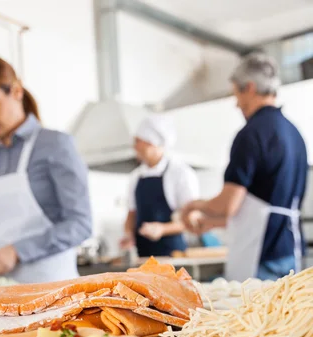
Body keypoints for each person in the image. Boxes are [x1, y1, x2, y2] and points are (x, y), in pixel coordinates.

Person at [0, 55, 91, 283]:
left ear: (16, 92)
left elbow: (80, 224)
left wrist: (17, 251)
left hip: (52, 291)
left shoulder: (55, 145)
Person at [181, 52, 308, 282]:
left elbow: (228, 205)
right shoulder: (294, 134)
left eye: (236, 94)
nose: (236, 103)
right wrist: (211, 222)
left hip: (262, 254)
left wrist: (192, 206)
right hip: (290, 251)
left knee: (253, 317)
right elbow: (262, 204)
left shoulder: (251, 134)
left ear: (249, 88)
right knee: (289, 317)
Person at [121, 115, 199, 257]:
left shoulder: (180, 173)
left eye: (139, 141)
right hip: (142, 257)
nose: (135, 147)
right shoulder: (135, 176)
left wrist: (162, 229)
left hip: (173, 256)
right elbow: (131, 215)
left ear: (152, 143)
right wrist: (128, 235)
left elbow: (191, 219)